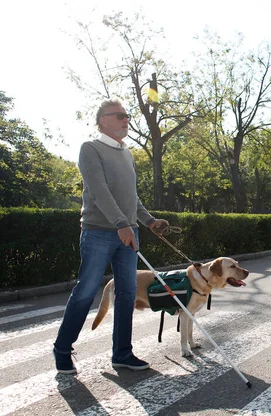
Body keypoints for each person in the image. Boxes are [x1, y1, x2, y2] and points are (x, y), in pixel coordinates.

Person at [53, 99, 169, 374]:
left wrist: (149, 221)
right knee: (86, 291)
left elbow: (131, 198)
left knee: (128, 293)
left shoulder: (127, 153)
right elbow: (98, 191)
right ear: (103, 119)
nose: (126, 119)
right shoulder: (90, 149)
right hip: (98, 233)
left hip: (129, 232)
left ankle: (122, 354)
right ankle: (62, 349)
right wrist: (121, 223)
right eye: (120, 115)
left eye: (127, 116)